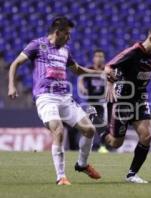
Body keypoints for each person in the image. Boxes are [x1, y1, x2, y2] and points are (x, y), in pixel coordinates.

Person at [8, 16, 101, 185]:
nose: (69, 37)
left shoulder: (66, 50)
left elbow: (78, 70)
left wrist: (100, 73)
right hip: (45, 97)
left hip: (64, 97)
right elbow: (15, 63)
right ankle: (61, 177)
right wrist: (11, 86)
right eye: (67, 34)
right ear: (57, 33)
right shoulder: (37, 45)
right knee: (58, 130)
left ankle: (82, 164)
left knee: (90, 130)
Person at [103, 23, 151, 183]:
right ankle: (98, 125)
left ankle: (132, 174)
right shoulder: (133, 52)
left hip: (139, 98)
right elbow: (108, 66)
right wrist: (110, 84)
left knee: (146, 137)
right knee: (115, 143)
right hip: (122, 100)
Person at [78, 49, 109, 152]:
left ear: (104, 58)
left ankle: (103, 146)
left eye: (101, 56)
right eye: (97, 56)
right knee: (90, 124)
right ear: (93, 58)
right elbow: (81, 79)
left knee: (102, 123)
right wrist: (82, 87)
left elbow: (112, 81)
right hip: (91, 102)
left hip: (103, 103)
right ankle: (85, 146)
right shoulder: (90, 69)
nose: (99, 59)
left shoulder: (106, 70)